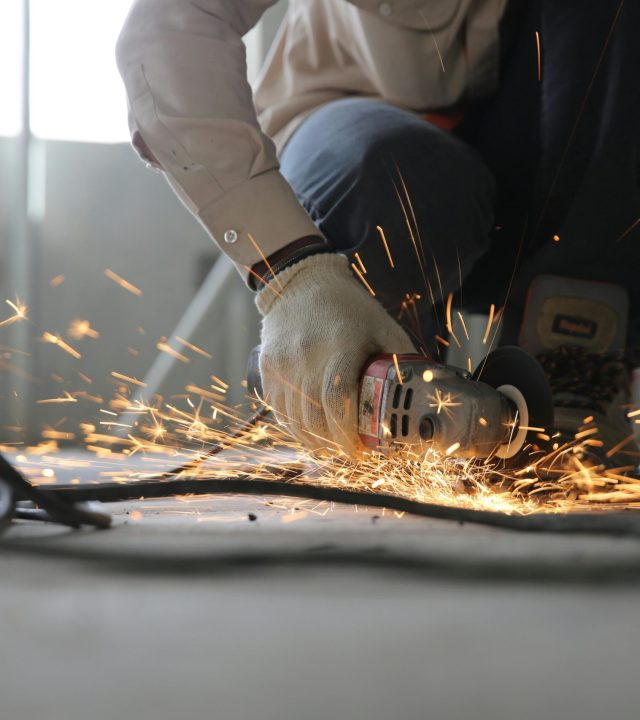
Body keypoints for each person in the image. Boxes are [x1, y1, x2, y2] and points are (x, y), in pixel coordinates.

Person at [116, 0, 639, 464]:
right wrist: (291, 274)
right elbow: (168, 27)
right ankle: (368, 391)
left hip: (569, 187)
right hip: (370, 152)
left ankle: (574, 360)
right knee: (401, 175)